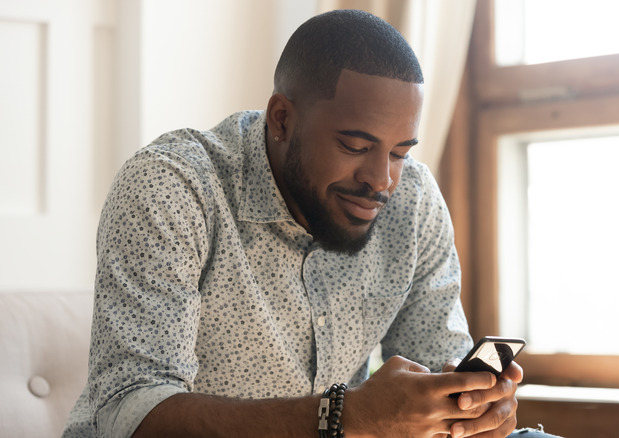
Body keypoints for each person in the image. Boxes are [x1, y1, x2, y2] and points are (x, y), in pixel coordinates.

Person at [63, 9, 560, 438]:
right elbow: (130, 416)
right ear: (281, 118)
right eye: (356, 146)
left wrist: (473, 412)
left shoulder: (412, 202)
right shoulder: (172, 187)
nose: (380, 181)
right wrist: (343, 417)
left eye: (400, 152)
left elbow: (435, 372)